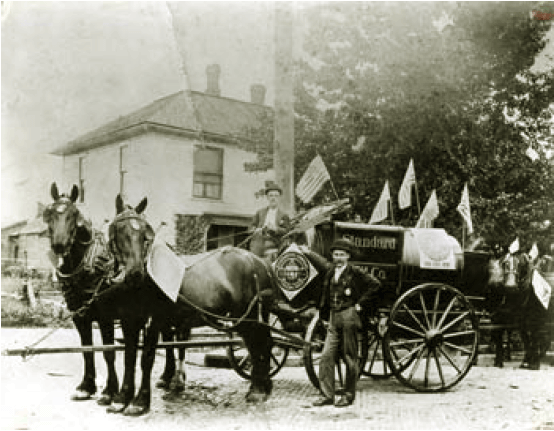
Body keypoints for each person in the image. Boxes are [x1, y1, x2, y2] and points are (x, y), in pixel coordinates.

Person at [312, 238, 382, 408]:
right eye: (336, 254)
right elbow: (325, 295)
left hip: (349, 316)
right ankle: (327, 395)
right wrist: (323, 313)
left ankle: (348, 395)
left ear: (348, 256)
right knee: (326, 356)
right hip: (334, 318)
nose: (338, 258)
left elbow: (375, 285)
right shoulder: (330, 272)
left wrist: (359, 305)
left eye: (342, 255)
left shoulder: (355, 272)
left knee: (349, 357)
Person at [249, 182, 291, 258]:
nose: (273, 198)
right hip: (258, 244)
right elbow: (251, 228)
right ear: (267, 197)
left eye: (276, 196)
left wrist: (275, 228)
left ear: (279, 198)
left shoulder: (284, 215)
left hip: (274, 245)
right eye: (271, 195)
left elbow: (287, 231)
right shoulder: (260, 212)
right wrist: (256, 230)